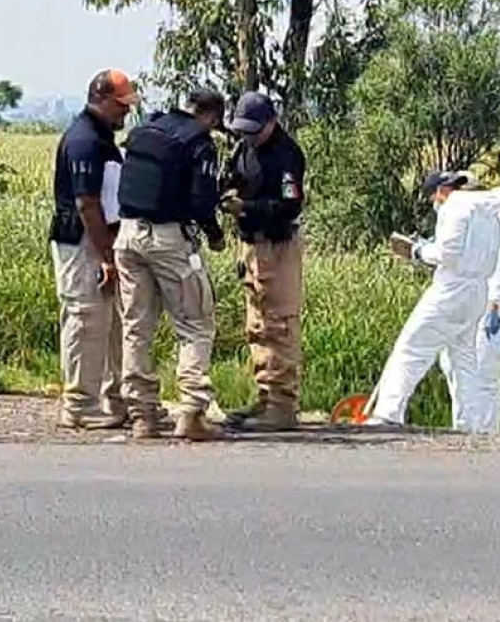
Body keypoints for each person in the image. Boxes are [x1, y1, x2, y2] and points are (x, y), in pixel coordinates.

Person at [114, 89, 228, 440]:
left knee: (136, 327)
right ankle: (191, 412)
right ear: (211, 116)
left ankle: (142, 415)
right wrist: (215, 235)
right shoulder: (199, 142)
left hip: (127, 234)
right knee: (195, 324)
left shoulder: (145, 129)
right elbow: (202, 202)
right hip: (169, 239)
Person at [365, 170, 500, 433]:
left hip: (451, 289)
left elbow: (447, 254)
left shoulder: (454, 207)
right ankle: (472, 425)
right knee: (464, 358)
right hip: (477, 291)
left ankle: (388, 413)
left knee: (411, 347)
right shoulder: (490, 213)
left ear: (439, 192)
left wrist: (418, 250)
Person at [48, 69, 137, 430]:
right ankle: (78, 405)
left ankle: (113, 399)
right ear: (101, 99)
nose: (126, 112)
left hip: (101, 238)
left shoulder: (101, 138)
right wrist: (106, 255)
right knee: (85, 320)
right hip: (83, 241)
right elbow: (87, 204)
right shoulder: (85, 140)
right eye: (121, 105)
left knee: (109, 322)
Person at [219, 92, 307, 432]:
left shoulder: (287, 155)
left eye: (254, 130)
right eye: (244, 130)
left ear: (272, 122)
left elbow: (290, 206)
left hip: (277, 246)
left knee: (279, 325)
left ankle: (282, 405)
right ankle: (266, 395)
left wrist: (248, 208)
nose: (249, 136)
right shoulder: (243, 148)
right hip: (251, 246)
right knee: (257, 325)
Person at [439, 177, 500, 434]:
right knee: (454, 364)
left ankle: (486, 432)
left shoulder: (498, 223)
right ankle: (465, 427)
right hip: (469, 304)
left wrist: (494, 307)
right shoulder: (469, 221)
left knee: (484, 370)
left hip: (494, 307)